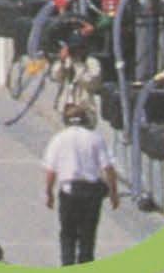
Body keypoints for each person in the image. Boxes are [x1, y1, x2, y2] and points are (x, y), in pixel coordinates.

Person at [42, 107, 119, 264]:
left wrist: (49, 193)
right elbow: (108, 168)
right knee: (88, 236)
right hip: (91, 193)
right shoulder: (95, 138)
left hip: (69, 192)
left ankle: (68, 268)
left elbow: (51, 171)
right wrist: (113, 192)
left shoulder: (59, 139)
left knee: (68, 234)